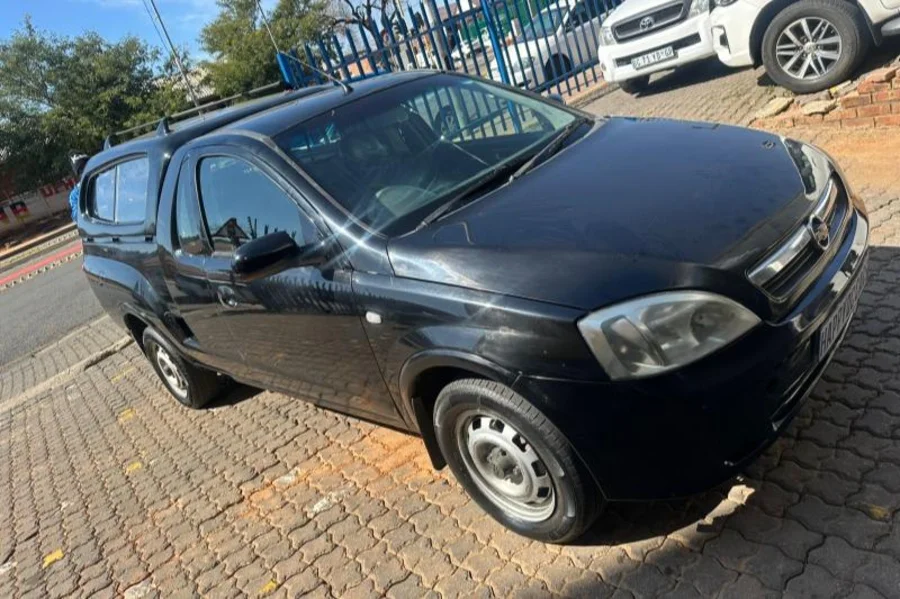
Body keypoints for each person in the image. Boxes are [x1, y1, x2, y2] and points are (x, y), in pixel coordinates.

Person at [69, 153, 89, 222]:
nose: (84, 172)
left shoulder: (101, 183)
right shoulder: (75, 194)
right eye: (81, 170)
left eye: (86, 167)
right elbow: (76, 216)